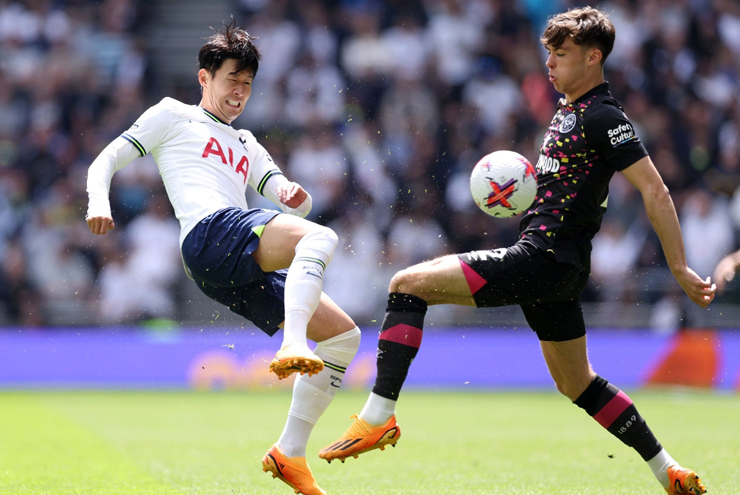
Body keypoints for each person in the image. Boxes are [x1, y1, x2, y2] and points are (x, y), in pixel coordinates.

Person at [319, 7, 714, 495]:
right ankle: (668, 470)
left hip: (542, 258)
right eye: (548, 52)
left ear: (593, 58)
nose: (549, 62)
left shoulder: (604, 116)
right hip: (560, 268)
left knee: (406, 285)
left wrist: (678, 265)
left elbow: (656, 191)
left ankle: (378, 416)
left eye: (561, 54)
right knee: (578, 384)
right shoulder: (569, 110)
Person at [85, 20, 360, 495]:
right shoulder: (172, 115)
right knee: (320, 240)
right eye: (232, 79)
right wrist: (97, 202)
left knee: (344, 339)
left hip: (226, 264)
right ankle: (292, 343)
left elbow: (286, 194)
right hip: (208, 232)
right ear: (204, 78)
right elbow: (104, 160)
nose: (239, 92)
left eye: (248, 84)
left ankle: (289, 452)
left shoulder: (247, 142)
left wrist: (293, 194)